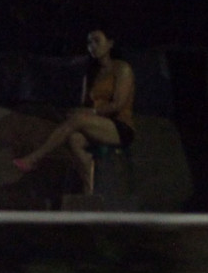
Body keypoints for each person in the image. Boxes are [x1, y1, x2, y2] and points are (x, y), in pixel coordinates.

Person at [13, 29, 136, 195]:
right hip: (97, 124)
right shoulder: (91, 73)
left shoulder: (122, 68)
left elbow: (118, 104)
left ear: (110, 44)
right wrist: (80, 112)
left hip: (120, 127)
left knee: (78, 119)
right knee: (74, 138)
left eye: (97, 41)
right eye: (89, 43)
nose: (92, 46)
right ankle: (89, 192)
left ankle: (35, 158)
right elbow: (85, 104)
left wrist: (90, 112)